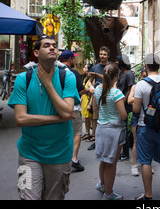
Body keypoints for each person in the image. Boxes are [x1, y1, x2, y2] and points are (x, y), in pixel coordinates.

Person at [8, 35, 80, 200]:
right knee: (27, 197)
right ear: (35, 52)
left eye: (54, 45)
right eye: (46, 45)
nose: (52, 48)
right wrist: (56, 118)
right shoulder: (23, 79)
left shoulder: (67, 77)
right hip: (29, 154)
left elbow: (68, 113)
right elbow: (21, 119)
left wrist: (47, 83)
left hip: (60, 155)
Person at [132, 54, 160, 200]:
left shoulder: (141, 84)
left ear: (146, 66)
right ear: (159, 66)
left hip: (145, 126)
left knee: (145, 162)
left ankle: (148, 195)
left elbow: (136, 110)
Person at [92, 63, 127, 200]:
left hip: (101, 128)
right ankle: (108, 193)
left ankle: (102, 185)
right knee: (111, 163)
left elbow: (95, 108)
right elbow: (123, 115)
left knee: (103, 160)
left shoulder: (98, 90)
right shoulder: (116, 93)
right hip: (114, 131)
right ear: (116, 76)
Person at [59, 49, 88, 172]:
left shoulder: (55, 71)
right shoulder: (73, 73)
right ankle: (74, 159)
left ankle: (60, 158)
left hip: (58, 109)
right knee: (76, 133)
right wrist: (89, 91)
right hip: (73, 109)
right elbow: (81, 90)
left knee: (62, 133)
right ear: (70, 59)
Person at [115, 54, 135, 161]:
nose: (116, 63)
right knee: (121, 128)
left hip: (126, 106)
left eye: (117, 61)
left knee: (125, 129)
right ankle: (122, 150)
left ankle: (126, 152)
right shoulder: (120, 73)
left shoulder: (129, 74)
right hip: (120, 104)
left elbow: (130, 88)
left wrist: (123, 100)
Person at [127, 69, 147, 177]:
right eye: (143, 76)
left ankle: (146, 164)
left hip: (147, 117)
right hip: (136, 116)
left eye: (146, 76)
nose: (144, 78)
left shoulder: (150, 86)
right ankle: (135, 165)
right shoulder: (136, 86)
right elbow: (129, 100)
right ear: (140, 76)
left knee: (147, 141)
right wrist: (139, 98)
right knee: (136, 141)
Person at [80, 63, 95, 142]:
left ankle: (93, 134)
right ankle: (87, 133)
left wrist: (90, 104)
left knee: (91, 118)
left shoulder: (92, 79)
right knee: (86, 118)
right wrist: (81, 99)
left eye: (85, 68)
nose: (83, 69)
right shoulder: (85, 78)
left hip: (89, 100)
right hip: (84, 100)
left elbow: (93, 92)